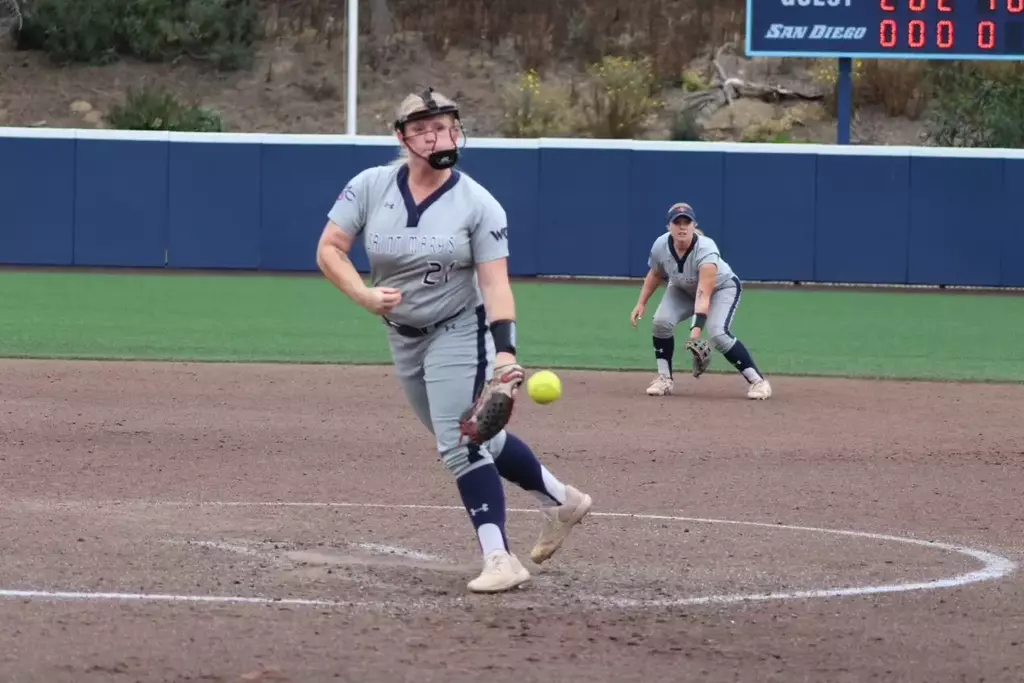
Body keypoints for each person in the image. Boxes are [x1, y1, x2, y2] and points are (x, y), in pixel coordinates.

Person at [315, 88, 593, 594]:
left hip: (459, 328)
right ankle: (562, 500)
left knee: (460, 443)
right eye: (423, 128)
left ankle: (499, 558)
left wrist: (505, 353)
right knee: (476, 434)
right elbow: (330, 248)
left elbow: (495, 284)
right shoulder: (370, 186)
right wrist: (362, 294)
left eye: (444, 126)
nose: (436, 136)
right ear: (402, 137)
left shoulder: (479, 204)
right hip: (403, 336)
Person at [630, 202, 772, 400]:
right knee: (660, 323)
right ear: (668, 226)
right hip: (682, 288)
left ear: (694, 225)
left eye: (686, 222)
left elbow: (704, 293)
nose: (682, 227)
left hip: (721, 289)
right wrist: (641, 303)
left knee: (718, 333)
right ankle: (664, 379)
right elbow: (655, 273)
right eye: (677, 222)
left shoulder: (706, 248)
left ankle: (758, 382)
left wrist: (695, 334)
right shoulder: (660, 246)